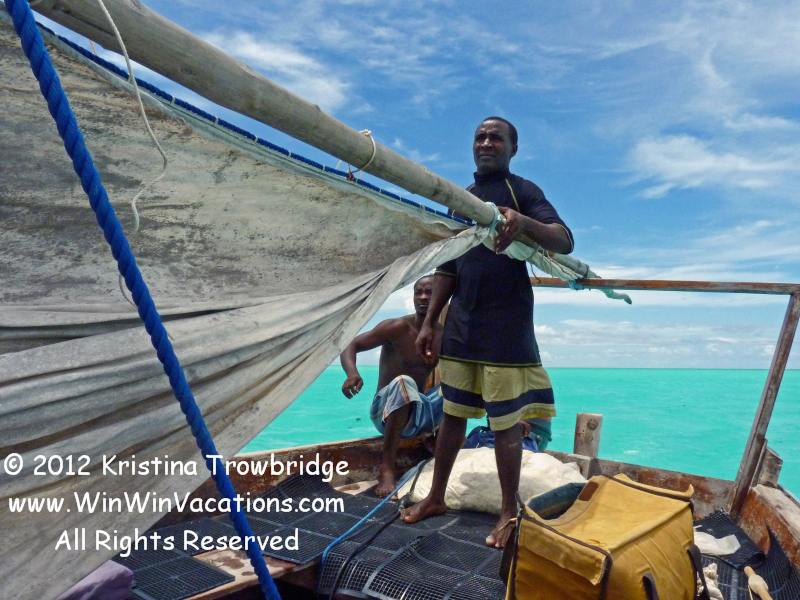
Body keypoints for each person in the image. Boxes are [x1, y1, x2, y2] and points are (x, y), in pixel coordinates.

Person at [402, 116, 574, 548]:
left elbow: (564, 240)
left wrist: (522, 222)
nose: (486, 143)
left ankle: (507, 511)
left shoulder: (522, 192)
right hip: (462, 326)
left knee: (506, 424)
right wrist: (429, 323)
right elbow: (447, 268)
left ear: (513, 149)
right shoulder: (463, 201)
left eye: (496, 137)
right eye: (480, 137)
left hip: (507, 329)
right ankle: (436, 497)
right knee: (452, 416)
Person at [340, 275, 444, 498]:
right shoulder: (397, 327)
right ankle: (387, 467)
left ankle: (435, 442)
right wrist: (352, 374)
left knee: (455, 387)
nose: (422, 297)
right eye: (418, 292)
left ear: (441, 297)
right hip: (385, 413)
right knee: (403, 382)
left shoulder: (445, 336)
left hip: (418, 415)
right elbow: (351, 344)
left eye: (429, 292)